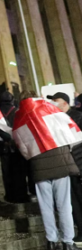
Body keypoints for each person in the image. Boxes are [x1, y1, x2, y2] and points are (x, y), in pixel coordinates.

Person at [17, 91, 80, 250]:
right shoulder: (49, 108)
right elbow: (70, 129)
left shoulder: (19, 116)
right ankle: (68, 242)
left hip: (38, 165)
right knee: (64, 205)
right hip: (59, 161)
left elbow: (22, 147)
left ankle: (51, 241)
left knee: (46, 206)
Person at [50, 92, 82, 245]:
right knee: (73, 200)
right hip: (67, 165)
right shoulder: (55, 119)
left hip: (78, 163)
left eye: (56, 101)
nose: (54, 103)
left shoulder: (77, 116)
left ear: (65, 103)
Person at [0, 91, 34, 204]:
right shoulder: (17, 111)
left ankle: (10, 195)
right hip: (17, 144)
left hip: (3, 145)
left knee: (7, 171)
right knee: (20, 170)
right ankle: (21, 194)